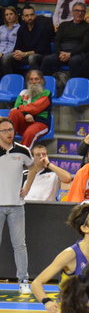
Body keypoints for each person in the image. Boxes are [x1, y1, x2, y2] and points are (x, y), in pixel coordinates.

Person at [0, 117, 33, 294]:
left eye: (10, 130)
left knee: (20, 245)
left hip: (17, 206)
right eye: (4, 130)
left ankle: (24, 281)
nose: (9, 133)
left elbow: (33, 167)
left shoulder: (23, 150)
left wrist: (27, 186)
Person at [41, 1, 89, 76]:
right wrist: (60, 53)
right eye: (77, 10)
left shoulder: (88, 27)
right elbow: (57, 41)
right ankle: (49, 84)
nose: (80, 13)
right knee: (47, 59)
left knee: (74, 61)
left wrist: (70, 54)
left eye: (82, 11)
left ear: (85, 13)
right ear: (72, 12)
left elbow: (86, 45)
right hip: (62, 52)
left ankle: (74, 85)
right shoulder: (63, 25)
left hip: (78, 53)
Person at [1, 4, 52, 74]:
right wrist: (17, 53)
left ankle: (36, 80)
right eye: (27, 15)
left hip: (40, 56)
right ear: (22, 17)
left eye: (32, 15)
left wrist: (24, 54)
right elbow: (17, 47)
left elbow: (42, 49)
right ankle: (11, 80)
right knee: (6, 58)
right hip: (24, 55)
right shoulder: (21, 29)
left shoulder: (43, 28)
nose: (30, 17)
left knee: (32, 58)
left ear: (35, 15)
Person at [8, 69, 51, 147]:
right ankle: (5, 147)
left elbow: (35, 108)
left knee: (29, 133)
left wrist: (21, 110)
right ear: (28, 81)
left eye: (36, 79)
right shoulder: (23, 92)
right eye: (31, 79)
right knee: (14, 113)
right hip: (24, 123)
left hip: (40, 123)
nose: (34, 81)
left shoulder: (46, 93)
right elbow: (16, 107)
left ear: (41, 80)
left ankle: (22, 156)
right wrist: (26, 114)